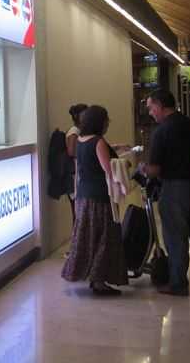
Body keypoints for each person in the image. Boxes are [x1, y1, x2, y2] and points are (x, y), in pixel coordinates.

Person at [145, 89, 190, 296]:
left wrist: (142, 169)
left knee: (176, 237)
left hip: (174, 188)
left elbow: (155, 169)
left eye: (151, 108)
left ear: (160, 105)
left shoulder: (161, 132)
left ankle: (178, 284)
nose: (150, 112)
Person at [62, 105, 128, 295]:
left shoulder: (80, 141)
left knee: (86, 236)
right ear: (99, 122)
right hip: (99, 196)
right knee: (104, 236)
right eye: (106, 120)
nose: (108, 123)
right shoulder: (98, 142)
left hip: (84, 195)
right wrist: (125, 164)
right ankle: (99, 280)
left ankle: (84, 272)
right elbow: (108, 169)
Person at [65, 103, 88, 223]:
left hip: (78, 175)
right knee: (77, 212)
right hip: (74, 176)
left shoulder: (80, 131)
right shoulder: (74, 131)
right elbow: (71, 151)